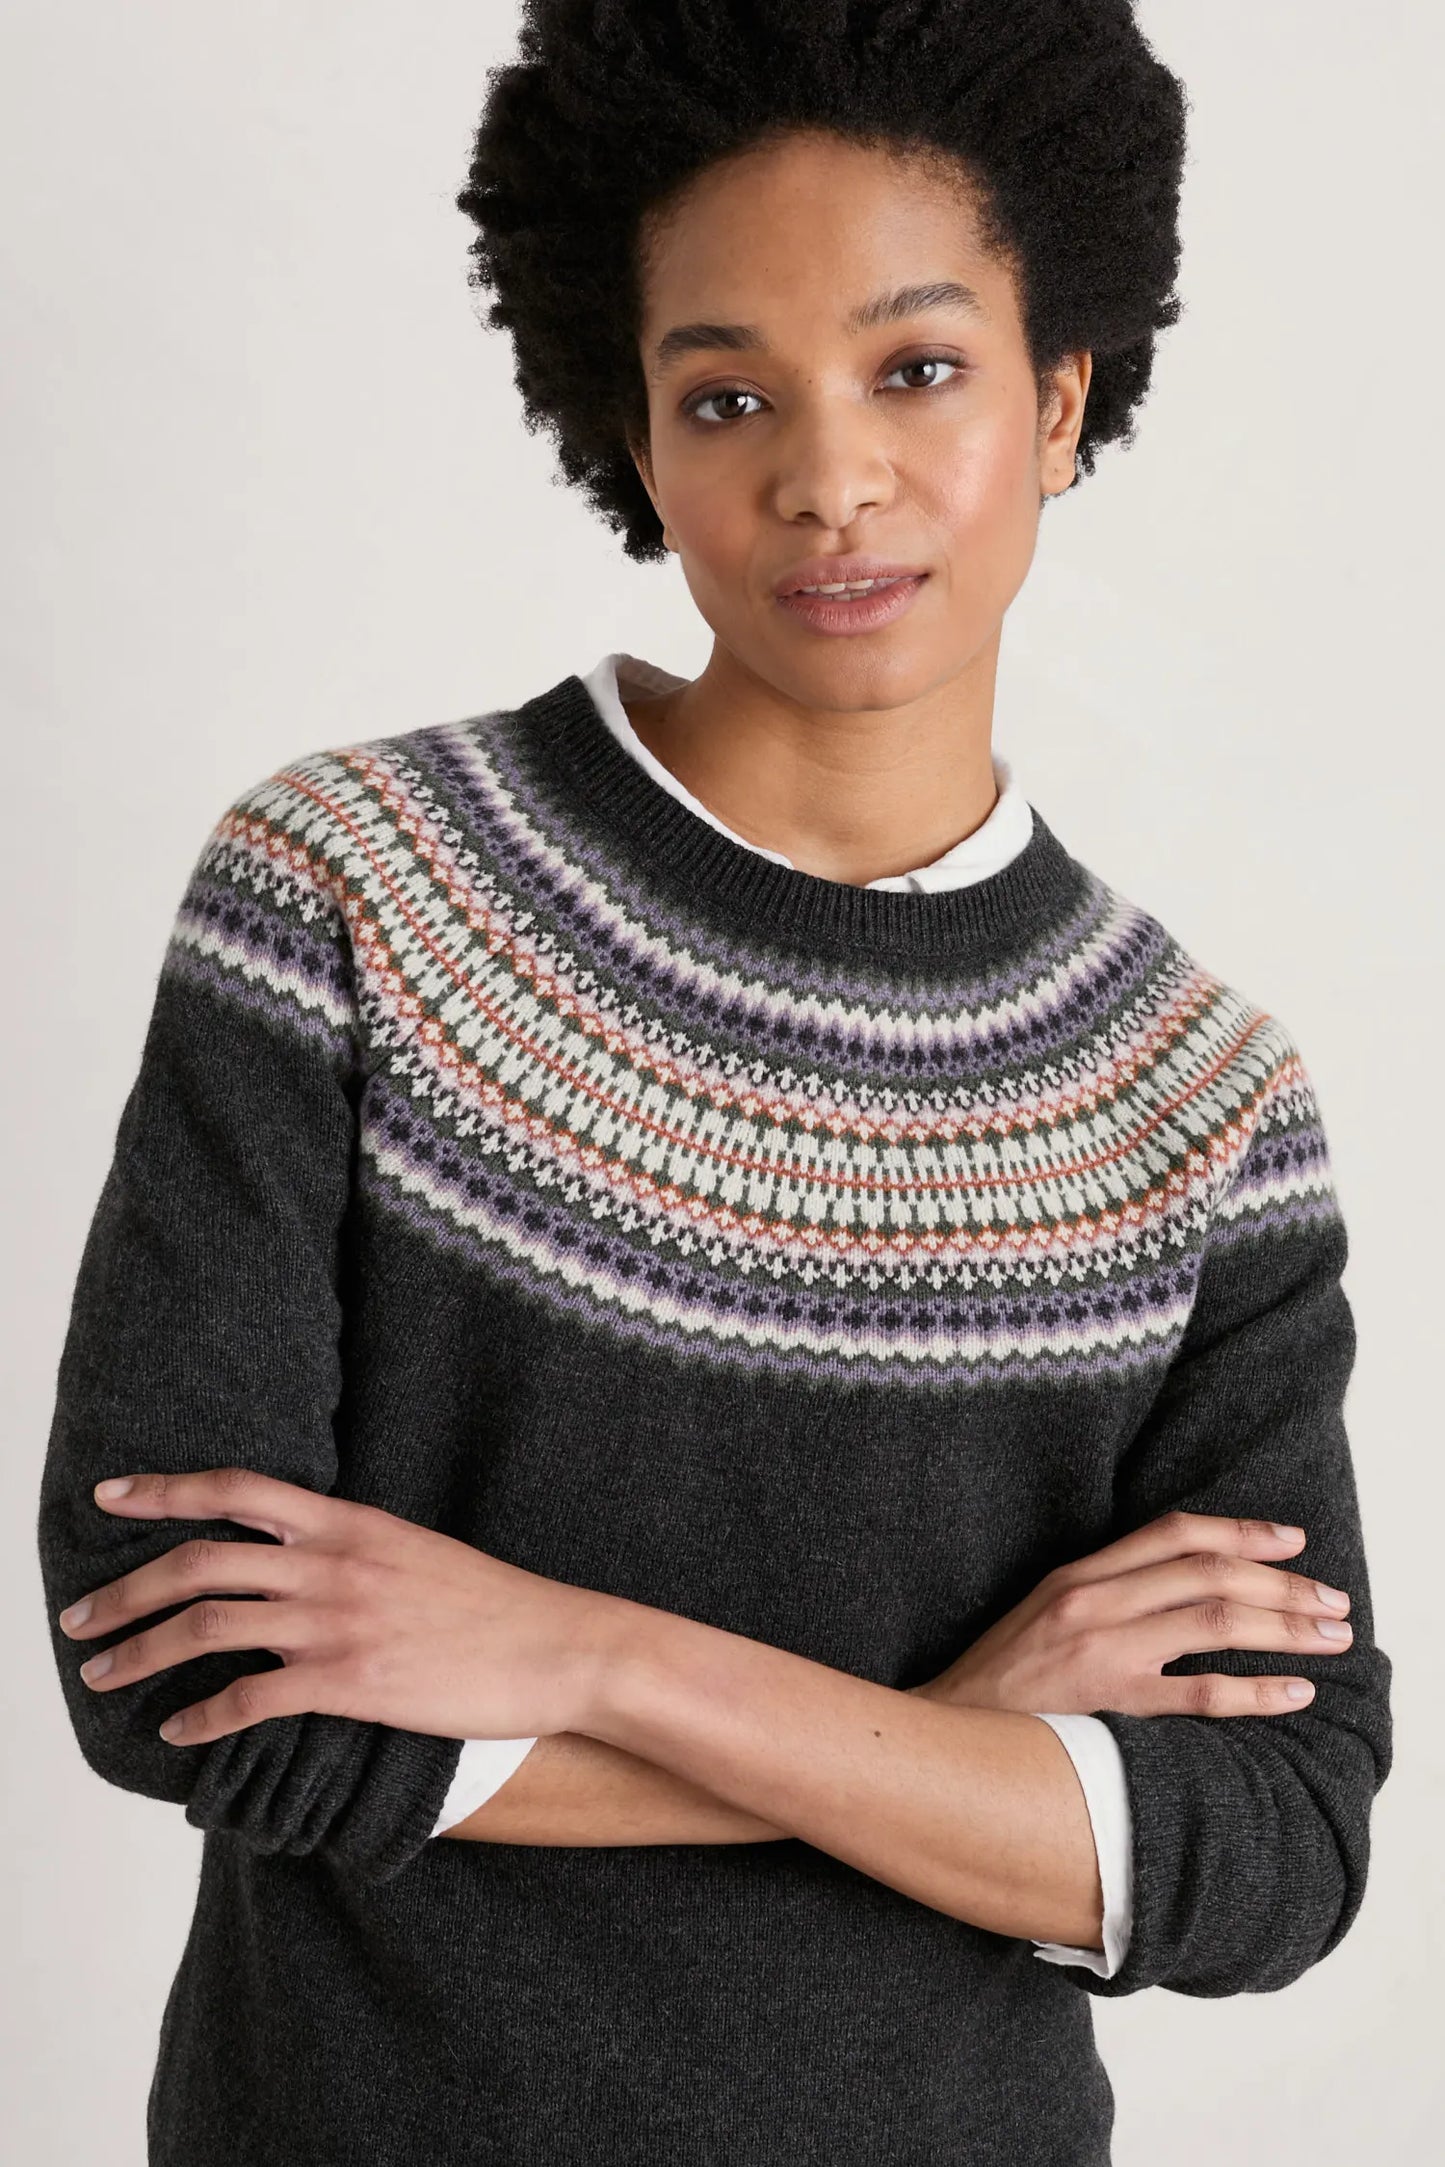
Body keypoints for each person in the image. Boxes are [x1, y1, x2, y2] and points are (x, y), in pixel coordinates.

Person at [37, 3, 1392, 2162]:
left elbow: (1267, 1852)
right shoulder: (352, 893)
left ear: (1060, 396)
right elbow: (185, 1681)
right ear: (637, 439)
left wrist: (596, 1659)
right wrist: (953, 1743)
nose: (828, 480)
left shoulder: (1198, 1099)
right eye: (729, 395)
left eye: (918, 369)